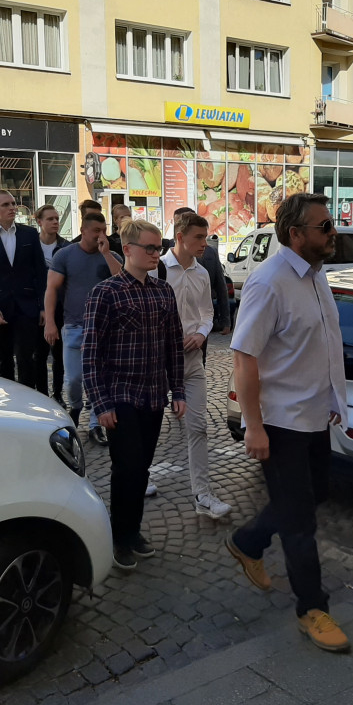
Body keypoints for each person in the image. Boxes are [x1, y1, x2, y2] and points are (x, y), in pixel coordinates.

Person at [226, 193, 351, 653]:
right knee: (300, 520)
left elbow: (321, 345)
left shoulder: (317, 277)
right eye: (324, 226)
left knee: (314, 495)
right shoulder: (269, 282)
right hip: (280, 422)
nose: (332, 232)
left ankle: (248, 541)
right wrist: (253, 426)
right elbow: (243, 357)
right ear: (295, 234)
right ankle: (312, 609)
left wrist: (335, 396)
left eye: (331, 223)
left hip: (314, 414)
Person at [82, 219, 186, 570]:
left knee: (141, 470)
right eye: (150, 248)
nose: (157, 254)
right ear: (128, 250)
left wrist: (179, 391)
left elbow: (174, 345)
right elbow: (91, 352)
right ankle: (119, 536)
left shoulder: (163, 292)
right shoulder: (106, 293)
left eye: (159, 248)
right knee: (125, 468)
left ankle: (133, 531)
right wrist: (100, 404)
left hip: (154, 396)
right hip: (121, 395)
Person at [161, 213, 231, 518]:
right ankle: (141, 477)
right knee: (146, 426)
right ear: (180, 237)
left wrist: (202, 334)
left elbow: (206, 312)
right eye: (199, 237)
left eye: (206, 237)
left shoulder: (202, 273)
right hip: (158, 361)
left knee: (198, 426)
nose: (205, 243)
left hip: (191, 361)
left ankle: (203, 494)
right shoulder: (158, 269)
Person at [44, 212, 123, 445]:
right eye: (96, 230)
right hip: (74, 326)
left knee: (100, 379)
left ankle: (96, 424)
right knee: (74, 379)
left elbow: (123, 281)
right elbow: (51, 289)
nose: (101, 234)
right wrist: (50, 321)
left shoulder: (111, 255)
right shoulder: (65, 255)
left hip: (105, 329)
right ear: (84, 230)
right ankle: (76, 407)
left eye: (104, 230)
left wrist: (106, 253)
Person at [0, 190, 47, 387]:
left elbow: (40, 273)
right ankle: (10, 405)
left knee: (26, 359)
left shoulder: (29, 234)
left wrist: (42, 306)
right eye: (5, 204)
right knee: (2, 359)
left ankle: (29, 404)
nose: (12, 207)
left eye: (13, 203)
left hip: (27, 306)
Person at [173, 207, 231, 336]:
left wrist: (225, 321)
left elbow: (221, 286)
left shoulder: (206, 262)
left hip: (198, 337)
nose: (203, 244)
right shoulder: (159, 266)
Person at [35, 204, 67, 401]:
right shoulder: (31, 247)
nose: (55, 222)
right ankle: (42, 396)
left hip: (61, 308)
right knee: (39, 356)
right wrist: (40, 307)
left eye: (57, 218)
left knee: (59, 356)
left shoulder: (66, 246)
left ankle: (57, 394)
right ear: (39, 222)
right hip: (38, 310)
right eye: (50, 219)